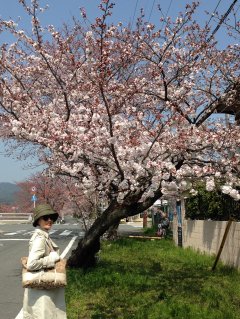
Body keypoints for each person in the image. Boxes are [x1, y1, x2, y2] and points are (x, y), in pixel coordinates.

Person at [23, 204, 67, 319]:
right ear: (38, 220)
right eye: (45, 218)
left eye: (51, 218)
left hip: (42, 288)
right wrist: (52, 259)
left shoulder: (43, 236)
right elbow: (32, 264)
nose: (49, 220)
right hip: (42, 290)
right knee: (44, 314)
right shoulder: (40, 238)